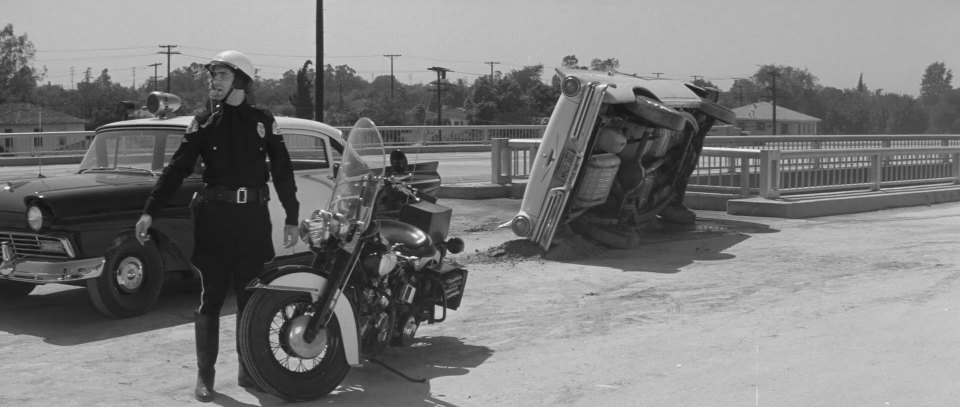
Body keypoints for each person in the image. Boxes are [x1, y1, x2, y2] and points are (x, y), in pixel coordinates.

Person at [134, 50, 300, 402]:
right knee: (210, 298)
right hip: (215, 220)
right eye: (212, 76)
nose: (214, 82)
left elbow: (283, 170)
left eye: (222, 75)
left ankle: (248, 370)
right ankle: (205, 377)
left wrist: (292, 216)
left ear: (241, 80)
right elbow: (177, 168)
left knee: (251, 298)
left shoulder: (263, 120)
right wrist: (150, 210)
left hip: (253, 220)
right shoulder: (204, 122)